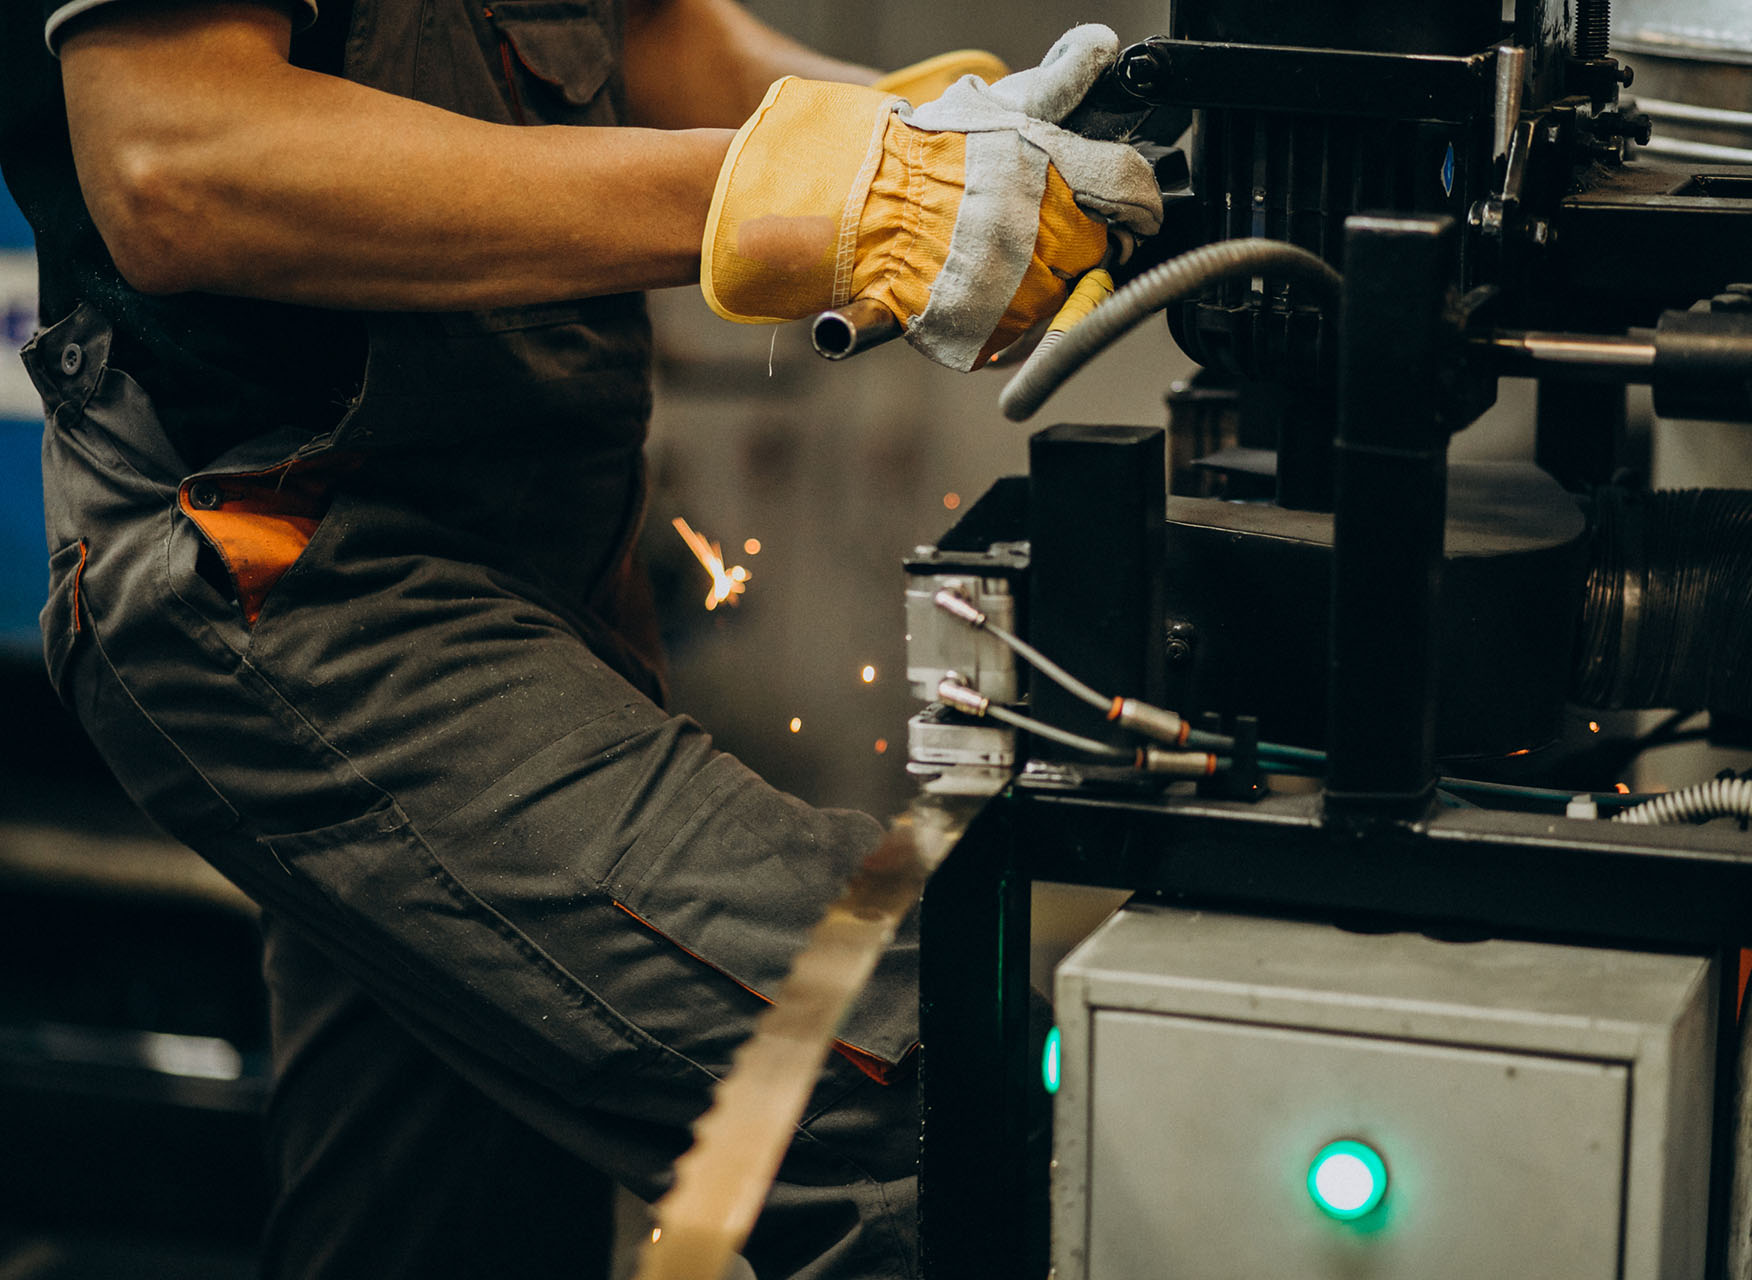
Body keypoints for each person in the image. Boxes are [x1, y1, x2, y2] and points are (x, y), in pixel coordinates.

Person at [0, 2, 1158, 1278]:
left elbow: (650, 42)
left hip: (549, 543)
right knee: (940, 1082)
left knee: (447, 1234)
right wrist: (838, 187)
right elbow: (179, 161)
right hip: (301, 560)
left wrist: (921, 129)